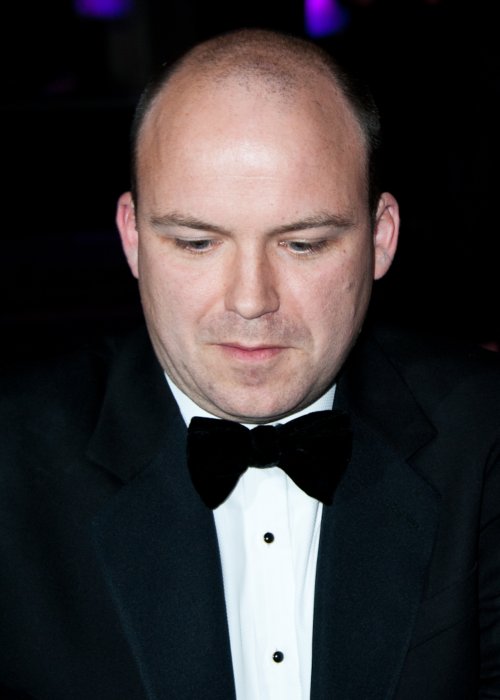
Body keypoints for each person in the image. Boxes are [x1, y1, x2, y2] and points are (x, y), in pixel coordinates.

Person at [1, 28, 499, 700]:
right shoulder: (12, 458)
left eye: (302, 244)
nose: (250, 300)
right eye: (198, 242)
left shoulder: (485, 435)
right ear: (133, 238)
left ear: (380, 240)